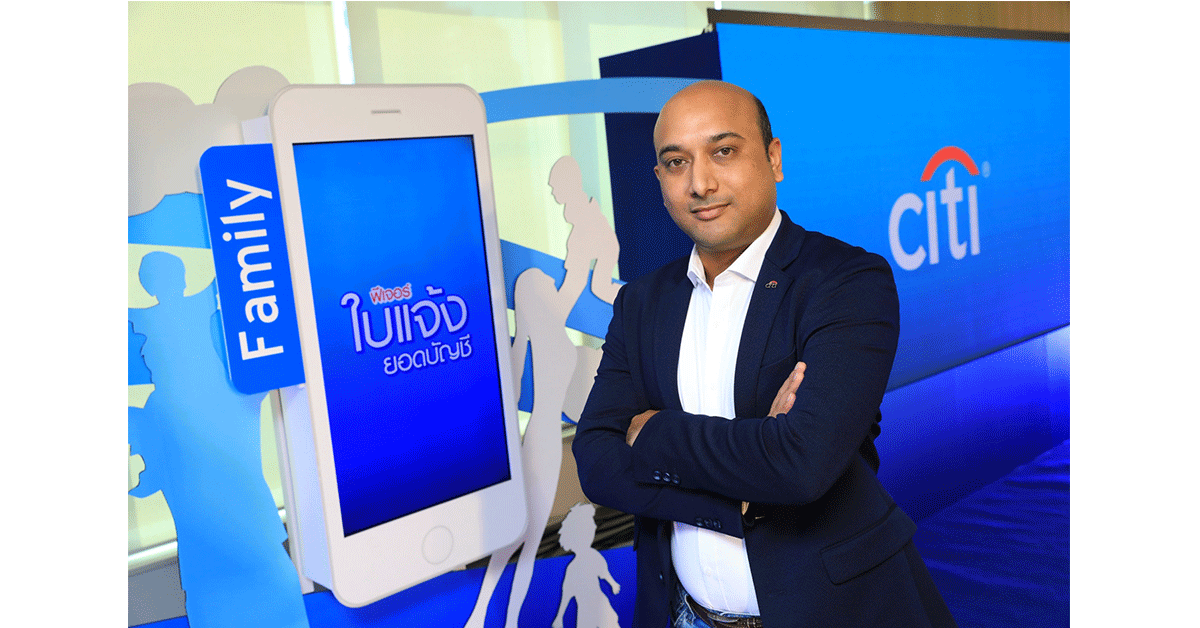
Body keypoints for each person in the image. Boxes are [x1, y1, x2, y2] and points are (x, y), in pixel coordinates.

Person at [572, 81, 955, 628]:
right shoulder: (642, 302)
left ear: (773, 158)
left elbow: (801, 465)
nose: (700, 183)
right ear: (660, 179)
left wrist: (653, 432)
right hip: (685, 615)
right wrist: (742, 491)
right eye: (677, 163)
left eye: (724, 151)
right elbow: (596, 460)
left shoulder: (845, 282)